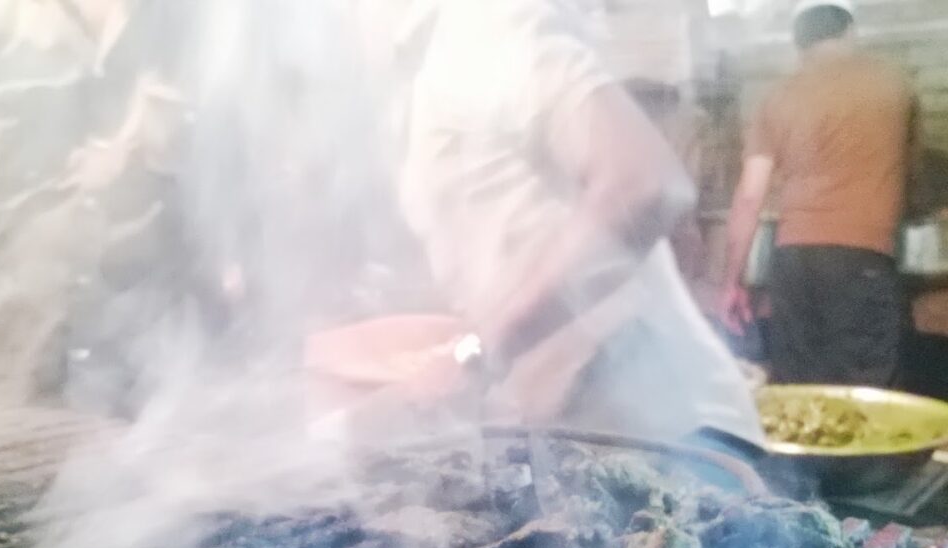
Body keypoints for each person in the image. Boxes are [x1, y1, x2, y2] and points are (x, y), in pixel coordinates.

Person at [349, 0, 763, 447]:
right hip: (587, 439)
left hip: (676, 440)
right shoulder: (417, 76)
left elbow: (645, 184)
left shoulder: (481, 28)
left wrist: (473, 356)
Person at [721, 0, 919, 387]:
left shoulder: (778, 96)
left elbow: (749, 197)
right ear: (850, 32)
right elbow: (912, 178)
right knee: (864, 392)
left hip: (793, 263)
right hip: (864, 258)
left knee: (799, 390)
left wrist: (733, 280)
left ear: (799, 44)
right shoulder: (896, 83)